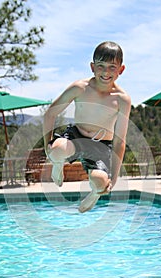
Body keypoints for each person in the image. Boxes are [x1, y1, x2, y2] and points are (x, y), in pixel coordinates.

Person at [43, 41, 131, 213]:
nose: (106, 72)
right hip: (77, 136)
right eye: (101, 66)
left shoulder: (122, 99)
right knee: (57, 149)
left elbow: (120, 141)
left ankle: (95, 193)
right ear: (92, 67)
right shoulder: (80, 88)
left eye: (112, 67)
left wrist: (114, 177)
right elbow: (50, 113)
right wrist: (48, 145)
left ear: (121, 69)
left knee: (100, 182)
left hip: (100, 145)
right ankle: (58, 165)